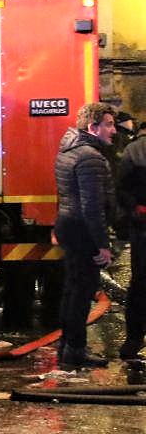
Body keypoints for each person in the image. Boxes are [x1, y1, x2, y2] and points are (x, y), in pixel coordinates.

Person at [54, 101, 117, 369]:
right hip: (82, 230)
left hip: (68, 224)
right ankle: (76, 350)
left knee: (72, 289)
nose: (113, 131)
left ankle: (67, 346)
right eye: (109, 125)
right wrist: (102, 245)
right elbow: (92, 206)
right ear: (93, 127)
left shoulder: (68, 150)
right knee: (82, 292)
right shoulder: (90, 156)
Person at [115, 126, 146, 360]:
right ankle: (133, 339)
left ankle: (133, 340)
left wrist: (133, 213)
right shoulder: (136, 150)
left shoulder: (134, 150)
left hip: (142, 228)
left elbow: (121, 189)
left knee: (140, 284)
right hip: (142, 226)